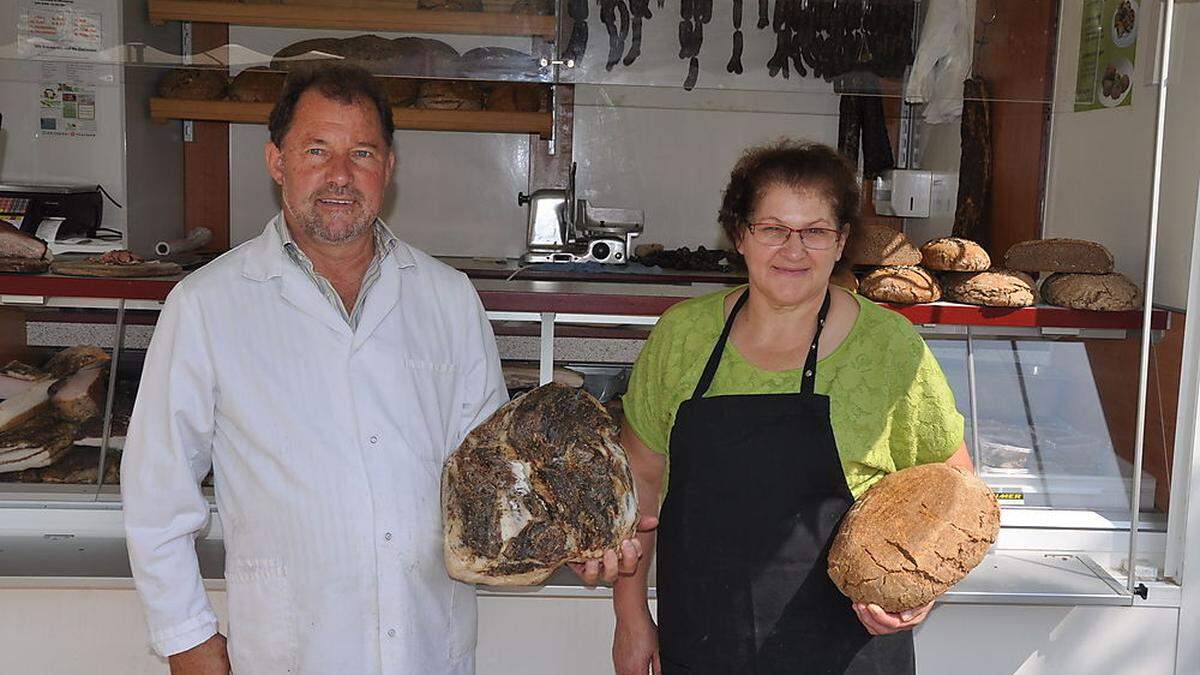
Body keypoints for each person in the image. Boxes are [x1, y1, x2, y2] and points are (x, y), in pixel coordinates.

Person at [121, 63, 507, 675]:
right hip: (289, 652)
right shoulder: (207, 304)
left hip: (426, 646)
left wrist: (578, 534)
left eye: (362, 153)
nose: (339, 176)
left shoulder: (449, 299)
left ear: (389, 167)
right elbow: (155, 493)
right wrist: (187, 639)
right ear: (277, 162)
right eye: (317, 150)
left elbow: (492, 477)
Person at [594, 140, 972, 674]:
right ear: (740, 235)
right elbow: (639, 482)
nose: (793, 251)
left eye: (815, 232)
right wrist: (630, 617)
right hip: (705, 643)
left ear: (841, 241)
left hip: (848, 650)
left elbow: (952, 485)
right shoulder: (683, 337)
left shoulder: (888, 346)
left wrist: (921, 587)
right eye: (772, 229)